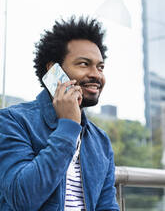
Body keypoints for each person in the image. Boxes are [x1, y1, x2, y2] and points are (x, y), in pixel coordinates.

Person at [0, 16, 119, 211]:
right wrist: (68, 126)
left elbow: (107, 206)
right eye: (83, 64)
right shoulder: (12, 121)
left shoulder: (101, 141)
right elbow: (23, 199)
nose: (97, 74)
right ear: (53, 71)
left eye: (100, 67)